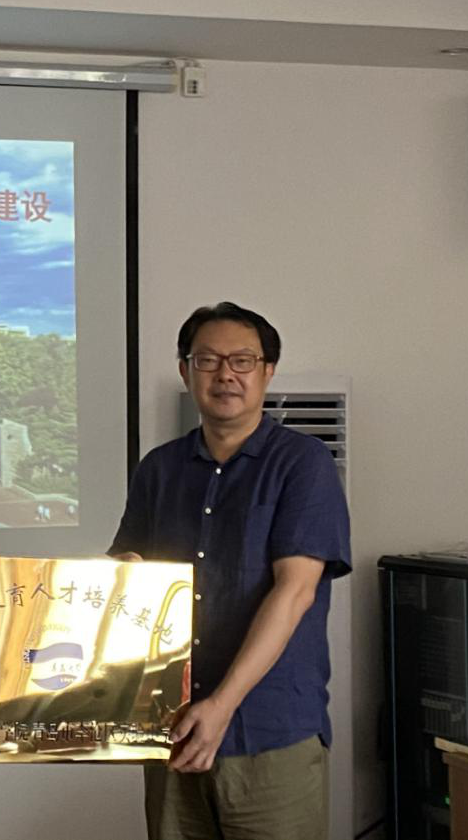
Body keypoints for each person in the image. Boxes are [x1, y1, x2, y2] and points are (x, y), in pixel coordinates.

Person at [109, 302, 350, 840]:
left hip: (270, 734)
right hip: (171, 728)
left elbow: (295, 592)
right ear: (185, 370)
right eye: (208, 360)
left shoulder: (303, 464)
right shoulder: (159, 469)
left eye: (242, 360)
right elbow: (125, 572)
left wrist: (221, 705)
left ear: (268, 371)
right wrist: (122, 576)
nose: (225, 374)